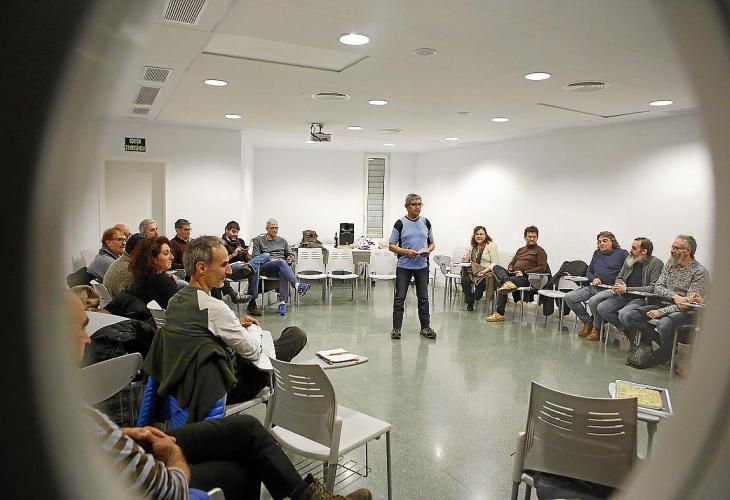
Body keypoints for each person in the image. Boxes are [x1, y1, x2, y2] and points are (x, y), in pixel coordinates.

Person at [65, 292, 371, 500]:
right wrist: (172, 455)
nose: (88, 338)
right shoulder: (204, 303)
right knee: (242, 466)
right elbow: (168, 488)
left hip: (132, 440)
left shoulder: (178, 300)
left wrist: (123, 435)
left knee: (247, 428)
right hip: (141, 465)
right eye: (79, 328)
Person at [162, 235, 307, 403]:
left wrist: (235, 325)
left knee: (277, 348)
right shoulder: (215, 309)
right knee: (295, 335)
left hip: (190, 382)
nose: (230, 271)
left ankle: (276, 402)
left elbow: (202, 330)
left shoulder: (176, 300)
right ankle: (279, 406)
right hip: (228, 387)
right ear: (201, 268)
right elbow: (253, 350)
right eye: (224, 265)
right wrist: (254, 329)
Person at [622, 234, 710, 368]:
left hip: (685, 312)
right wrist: (675, 296)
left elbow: (687, 304)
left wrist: (661, 311)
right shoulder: (670, 264)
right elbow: (658, 287)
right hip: (663, 303)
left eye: (676, 248)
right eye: (672, 247)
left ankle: (663, 354)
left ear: (688, 251)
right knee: (630, 316)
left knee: (663, 324)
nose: (672, 250)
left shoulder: (700, 272)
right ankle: (668, 347)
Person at [591, 237, 664, 343]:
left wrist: (626, 289)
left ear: (644, 251)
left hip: (642, 298)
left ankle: (641, 338)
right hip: (624, 295)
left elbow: (653, 288)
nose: (630, 250)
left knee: (623, 314)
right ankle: (627, 331)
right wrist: (618, 284)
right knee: (602, 308)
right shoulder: (630, 259)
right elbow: (619, 277)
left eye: (634, 248)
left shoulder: (656, 263)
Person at [563, 231, 629, 341]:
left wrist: (619, 285)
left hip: (611, 290)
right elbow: (589, 271)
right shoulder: (597, 253)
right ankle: (588, 322)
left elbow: (628, 272)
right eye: (599, 242)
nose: (601, 244)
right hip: (595, 287)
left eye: (604, 241)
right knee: (569, 297)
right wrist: (593, 278)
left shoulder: (622, 254)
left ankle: (597, 329)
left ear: (612, 241)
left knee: (593, 301)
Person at [388, 193, 436, 340]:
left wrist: (428, 250)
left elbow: (432, 243)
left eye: (419, 204)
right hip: (404, 266)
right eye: (414, 204)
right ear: (407, 206)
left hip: (422, 266)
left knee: (423, 298)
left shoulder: (426, 222)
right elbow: (391, 246)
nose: (417, 207)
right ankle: (396, 328)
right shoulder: (400, 223)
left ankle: (425, 327)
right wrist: (405, 252)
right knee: (399, 298)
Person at [247, 219, 310, 316]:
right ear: (267, 229)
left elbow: (290, 254)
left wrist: (290, 258)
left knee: (283, 270)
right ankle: (297, 285)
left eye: (276, 228)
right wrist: (271, 260)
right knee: (281, 262)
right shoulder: (259, 241)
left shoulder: (282, 241)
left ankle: (282, 303)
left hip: (280, 266)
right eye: (272, 228)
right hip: (266, 266)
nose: (275, 230)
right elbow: (255, 258)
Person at [487, 225, 547, 322]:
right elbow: (512, 263)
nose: (532, 239)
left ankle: (499, 314)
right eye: (530, 236)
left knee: (502, 282)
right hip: (513, 275)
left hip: (526, 278)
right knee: (495, 267)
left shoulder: (540, 251)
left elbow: (542, 268)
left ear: (537, 238)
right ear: (525, 237)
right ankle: (507, 281)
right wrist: (510, 268)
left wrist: (525, 272)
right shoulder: (520, 250)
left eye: (534, 237)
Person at [128, 236, 179, 309]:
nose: (172, 257)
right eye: (166, 253)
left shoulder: (138, 280)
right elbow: (181, 309)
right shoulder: (164, 281)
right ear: (153, 259)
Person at [460, 226, 499, 311]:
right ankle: (470, 302)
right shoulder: (473, 246)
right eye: (477, 234)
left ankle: (474, 298)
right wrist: (465, 258)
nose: (479, 236)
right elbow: (468, 260)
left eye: (481, 234)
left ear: (485, 235)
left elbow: (495, 262)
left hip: (486, 271)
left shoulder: (491, 245)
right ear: (474, 236)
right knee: (464, 280)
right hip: (474, 270)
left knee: (484, 282)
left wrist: (484, 271)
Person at [218, 220, 253, 304]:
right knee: (218, 273)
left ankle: (252, 302)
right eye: (233, 231)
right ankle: (234, 296)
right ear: (226, 231)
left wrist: (246, 253)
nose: (236, 234)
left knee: (256, 266)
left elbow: (248, 259)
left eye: (237, 232)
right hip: (228, 268)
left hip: (243, 267)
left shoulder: (240, 242)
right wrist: (233, 255)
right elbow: (220, 262)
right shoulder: (220, 243)